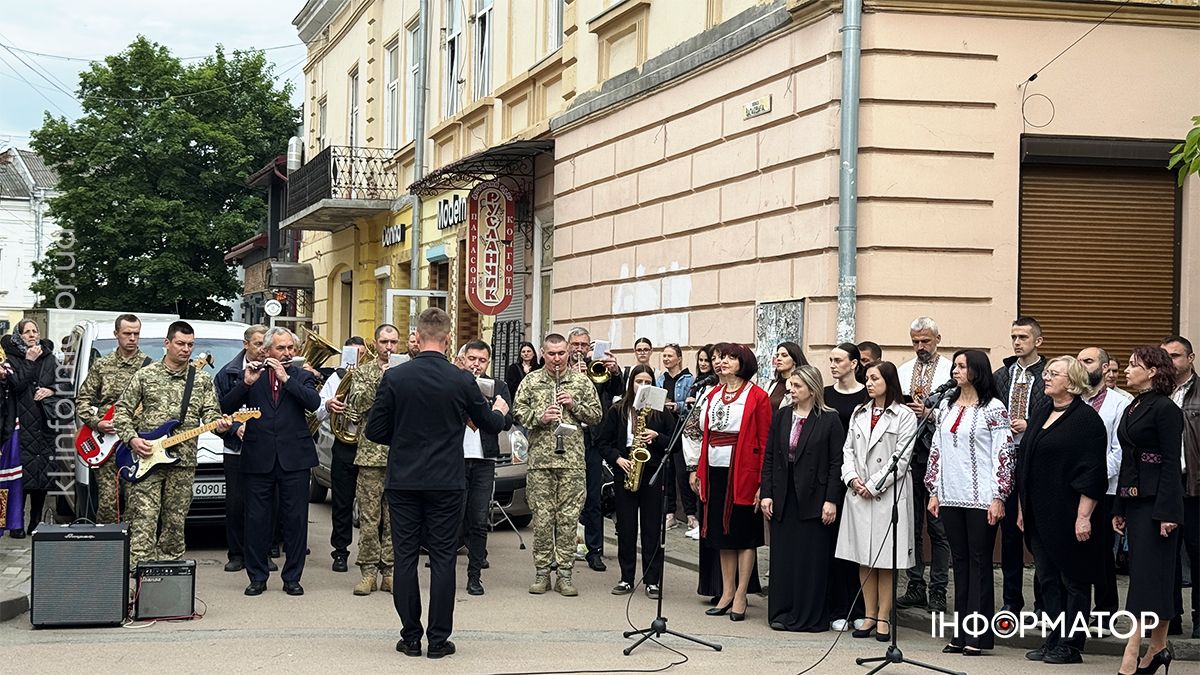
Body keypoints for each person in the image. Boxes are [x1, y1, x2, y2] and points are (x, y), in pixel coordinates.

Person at [365, 308, 508, 659]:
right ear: (447, 340)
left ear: (417, 335)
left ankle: (410, 637)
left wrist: (405, 439)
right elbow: (489, 423)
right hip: (446, 480)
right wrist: (501, 409)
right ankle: (439, 640)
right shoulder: (461, 380)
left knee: (405, 557)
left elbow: (374, 430)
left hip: (404, 480)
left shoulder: (396, 378)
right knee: (444, 559)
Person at [114, 321, 230, 570]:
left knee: (175, 524)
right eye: (180, 343)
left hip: (183, 463)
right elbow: (121, 412)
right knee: (143, 521)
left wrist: (220, 424)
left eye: (190, 345)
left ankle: (168, 580)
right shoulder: (146, 375)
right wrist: (132, 439)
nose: (186, 349)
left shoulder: (201, 380)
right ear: (167, 344)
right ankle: (137, 582)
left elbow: (211, 414)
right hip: (146, 460)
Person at [1017, 356, 1107, 665]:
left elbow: (1093, 474)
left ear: (1072, 382)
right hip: (1039, 514)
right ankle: (1053, 639)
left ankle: (1071, 644)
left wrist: (1084, 516)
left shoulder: (1086, 420)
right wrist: (1021, 508)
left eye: (1053, 373)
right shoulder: (1042, 411)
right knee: (1048, 580)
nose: (1046, 377)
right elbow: (1026, 463)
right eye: (1046, 372)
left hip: (1069, 515)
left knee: (1075, 581)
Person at [926, 349, 1014, 656]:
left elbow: (1003, 454)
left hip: (981, 499)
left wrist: (998, 496)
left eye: (962, 366)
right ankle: (959, 634)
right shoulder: (946, 407)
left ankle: (978, 636)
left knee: (979, 563)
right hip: (950, 495)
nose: (955, 371)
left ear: (977, 371)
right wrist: (934, 490)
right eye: (954, 366)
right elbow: (936, 449)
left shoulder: (994, 409)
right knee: (959, 563)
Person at [220, 326, 320, 596]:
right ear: (266, 351)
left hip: (295, 459)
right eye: (280, 348)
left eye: (290, 348)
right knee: (256, 520)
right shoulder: (252, 374)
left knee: (296, 521)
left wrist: (287, 378)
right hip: (258, 457)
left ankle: (292, 578)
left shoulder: (300, 375)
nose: (286, 353)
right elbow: (226, 406)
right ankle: (257, 577)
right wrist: (246, 383)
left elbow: (313, 402)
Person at [1113, 346, 1184, 675]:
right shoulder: (1133, 405)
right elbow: (1127, 459)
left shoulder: (1165, 409)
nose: (1126, 370)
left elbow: (1172, 462)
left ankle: (1134, 648)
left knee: (1147, 578)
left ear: (1153, 371)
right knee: (1153, 577)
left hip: (1159, 504)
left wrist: (1168, 511)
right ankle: (1157, 648)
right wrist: (1120, 506)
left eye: (1133, 365)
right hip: (1135, 500)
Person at [515, 333, 603, 595]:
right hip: (541, 462)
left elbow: (597, 415)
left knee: (567, 520)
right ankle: (542, 573)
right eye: (551, 353)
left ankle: (565, 574)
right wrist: (539, 417)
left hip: (572, 462)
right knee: (542, 520)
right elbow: (517, 411)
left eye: (561, 353)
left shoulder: (581, 381)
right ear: (543, 353)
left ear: (569, 353)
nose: (556, 358)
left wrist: (574, 405)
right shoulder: (531, 381)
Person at [689, 342, 772, 622]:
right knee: (722, 536)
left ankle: (741, 594)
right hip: (715, 470)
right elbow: (705, 435)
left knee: (742, 535)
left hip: (744, 471)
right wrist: (699, 471)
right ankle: (726, 591)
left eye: (730, 358)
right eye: (721, 358)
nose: (723, 362)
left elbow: (765, 441)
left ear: (743, 363)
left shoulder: (757, 396)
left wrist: (762, 482)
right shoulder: (712, 393)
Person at [760, 366, 846, 631]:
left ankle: (809, 615)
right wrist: (766, 493)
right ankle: (782, 611)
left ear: (812, 388)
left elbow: (836, 463)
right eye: (791, 385)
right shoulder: (784, 415)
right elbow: (771, 456)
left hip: (814, 498)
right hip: (784, 496)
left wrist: (831, 499)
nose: (791, 390)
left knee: (811, 558)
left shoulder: (829, 419)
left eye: (797, 386)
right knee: (785, 557)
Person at [837, 361, 918, 641]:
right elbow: (847, 450)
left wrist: (873, 484)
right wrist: (851, 478)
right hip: (859, 493)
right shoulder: (859, 412)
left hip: (886, 495)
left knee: (886, 560)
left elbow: (902, 458)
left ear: (889, 380)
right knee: (864, 558)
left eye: (874, 378)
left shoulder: (904, 415)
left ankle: (884, 617)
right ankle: (869, 614)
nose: (869, 383)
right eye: (867, 378)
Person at [597, 364, 675, 598]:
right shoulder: (618, 410)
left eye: (648, 382)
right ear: (631, 384)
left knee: (652, 529)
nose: (643, 386)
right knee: (627, 528)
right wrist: (618, 459)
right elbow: (602, 442)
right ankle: (626, 578)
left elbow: (675, 443)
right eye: (638, 381)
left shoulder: (661, 412)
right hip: (626, 471)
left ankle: (652, 581)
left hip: (652, 474)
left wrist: (657, 436)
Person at [895, 317, 952, 613]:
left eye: (925, 341)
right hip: (912, 454)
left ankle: (939, 588)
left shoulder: (951, 371)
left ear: (938, 339)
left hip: (939, 457)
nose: (920, 347)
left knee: (938, 527)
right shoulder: (904, 371)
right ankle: (915, 584)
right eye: (915, 341)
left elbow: (958, 416)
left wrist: (929, 413)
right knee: (912, 524)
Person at [992, 317, 1049, 614]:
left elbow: (1056, 411)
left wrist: (1030, 425)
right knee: (1010, 536)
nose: (1016, 342)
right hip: (1006, 459)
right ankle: (1011, 602)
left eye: (1023, 337)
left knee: (1037, 534)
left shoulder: (1049, 375)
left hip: (1036, 460)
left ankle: (1043, 602)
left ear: (1038, 341)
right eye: (1013, 336)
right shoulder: (1002, 375)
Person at [76, 314, 150, 524]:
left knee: (136, 501)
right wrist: (96, 423)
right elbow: (82, 400)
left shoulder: (150, 368)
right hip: (105, 443)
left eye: (136, 333)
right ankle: (107, 547)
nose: (132, 338)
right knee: (108, 502)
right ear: (116, 334)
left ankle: (133, 550)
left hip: (134, 443)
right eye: (127, 333)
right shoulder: (102, 365)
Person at [1077, 346, 1131, 627]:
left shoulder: (1119, 403)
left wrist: (1094, 478)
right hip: (1074, 489)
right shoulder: (1074, 400)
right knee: (1077, 554)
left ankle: (1105, 610)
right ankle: (1078, 613)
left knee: (1101, 554)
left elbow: (1119, 450)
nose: (1081, 366)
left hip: (1106, 489)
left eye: (1087, 361)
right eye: (1078, 361)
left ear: (1105, 366)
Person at [457, 340, 514, 596]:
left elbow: (507, 421)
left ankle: (474, 575)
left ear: (488, 362)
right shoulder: (454, 382)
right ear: (463, 359)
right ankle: (444, 568)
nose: (476, 364)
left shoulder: (498, 386)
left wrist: (490, 408)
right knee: (453, 517)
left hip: (484, 460)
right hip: (454, 459)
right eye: (472, 359)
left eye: (481, 360)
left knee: (480, 519)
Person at [214, 324, 271, 573]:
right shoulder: (228, 373)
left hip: (266, 447)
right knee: (236, 503)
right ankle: (236, 553)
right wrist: (236, 426)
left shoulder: (274, 371)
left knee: (264, 503)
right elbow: (220, 407)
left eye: (265, 345)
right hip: (236, 448)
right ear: (246, 344)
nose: (262, 349)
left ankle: (262, 553)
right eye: (258, 344)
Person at [347, 326, 400, 596]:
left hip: (400, 456)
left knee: (394, 519)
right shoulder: (364, 371)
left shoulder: (407, 369)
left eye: (393, 341)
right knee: (370, 519)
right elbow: (356, 404)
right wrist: (383, 382)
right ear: (375, 343)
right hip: (370, 455)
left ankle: (389, 571)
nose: (388, 346)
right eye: (383, 341)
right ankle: (368, 571)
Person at [566, 326, 622, 572]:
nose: (579, 349)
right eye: (575, 345)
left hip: (593, 439)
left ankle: (594, 550)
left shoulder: (597, 367)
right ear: (568, 346)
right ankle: (564, 548)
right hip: (567, 439)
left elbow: (616, 391)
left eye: (583, 345)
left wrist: (616, 371)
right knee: (566, 497)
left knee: (593, 497)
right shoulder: (559, 367)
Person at [311, 335, 367, 573]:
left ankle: (370, 555)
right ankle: (340, 552)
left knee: (372, 505)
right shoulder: (336, 377)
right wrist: (329, 405)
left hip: (369, 446)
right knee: (342, 502)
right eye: (352, 353)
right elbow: (318, 412)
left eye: (361, 353)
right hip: (344, 444)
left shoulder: (376, 376)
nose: (357, 358)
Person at [1, 320, 61, 538]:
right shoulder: (12, 359)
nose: (32, 335)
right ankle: (17, 523)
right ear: (19, 335)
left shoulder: (50, 358)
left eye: (35, 331)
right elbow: (16, 385)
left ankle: (36, 520)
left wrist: (52, 391)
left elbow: (64, 385)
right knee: (19, 475)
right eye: (27, 332)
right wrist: (29, 361)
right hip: (19, 424)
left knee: (41, 476)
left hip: (44, 424)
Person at [824, 342, 869, 631]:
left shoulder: (867, 395)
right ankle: (839, 606)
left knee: (860, 546)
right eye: (830, 360)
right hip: (833, 475)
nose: (832, 364)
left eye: (838, 360)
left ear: (854, 363)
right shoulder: (826, 395)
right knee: (836, 546)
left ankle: (862, 609)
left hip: (862, 477)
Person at [1161, 336, 1198, 639]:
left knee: (1197, 552)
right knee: (1167, 554)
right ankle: (1170, 618)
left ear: (1190, 358)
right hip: (1164, 484)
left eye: (1175, 356)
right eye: (1165, 356)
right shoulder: (1158, 393)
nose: (1170, 362)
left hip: (1194, 485)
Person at [657, 343, 695, 533]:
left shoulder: (689, 379)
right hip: (664, 429)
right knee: (666, 473)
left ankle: (691, 515)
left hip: (681, 430)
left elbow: (692, 406)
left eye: (670, 356)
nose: (666, 359)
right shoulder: (660, 379)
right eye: (664, 356)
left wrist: (677, 406)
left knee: (682, 472)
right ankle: (669, 514)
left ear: (679, 358)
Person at [765, 341, 808, 410]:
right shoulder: (770, 385)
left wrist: (790, 389)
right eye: (777, 355)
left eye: (784, 355)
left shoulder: (803, 385)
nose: (778, 359)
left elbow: (799, 409)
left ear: (795, 360)